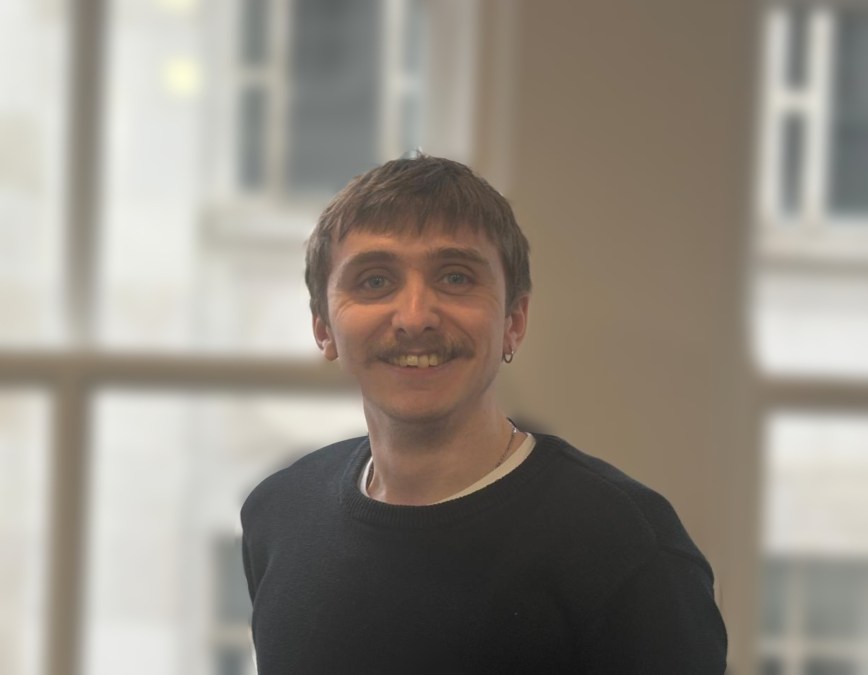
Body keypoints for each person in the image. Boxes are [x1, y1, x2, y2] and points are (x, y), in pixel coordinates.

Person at [240, 154, 727, 674]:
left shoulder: (624, 545)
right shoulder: (279, 515)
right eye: (375, 281)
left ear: (514, 321)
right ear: (323, 327)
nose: (415, 318)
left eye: (455, 277)